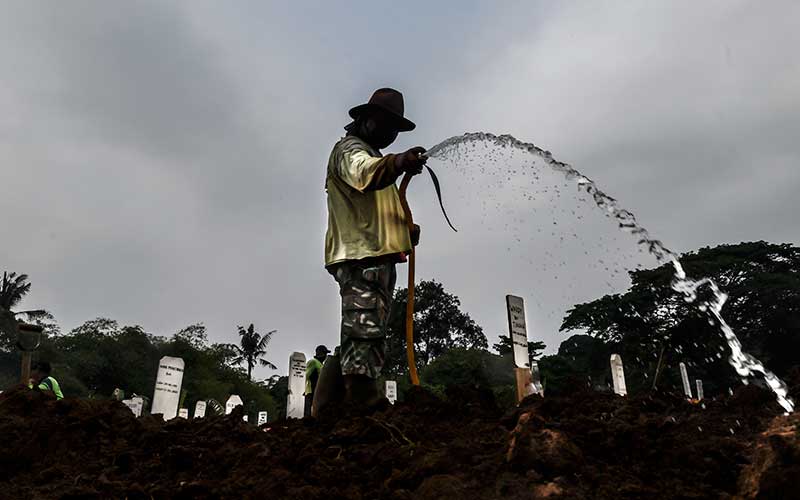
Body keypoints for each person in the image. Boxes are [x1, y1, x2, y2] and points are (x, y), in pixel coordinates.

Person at [316, 88, 426, 412]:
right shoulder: (351, 152)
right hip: (361, 258)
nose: (391, 133)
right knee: (363, 328)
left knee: (365, 328)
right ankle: (362, 401)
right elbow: (365, 175)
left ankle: (327, 408)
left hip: (375, 256)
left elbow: (378, 208)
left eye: (396, 128)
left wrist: (405, 229)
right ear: (365, 119)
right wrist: (399, 161)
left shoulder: (375, 158)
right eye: (385, 123)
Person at [304, 345, 330, 416]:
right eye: (324, 353)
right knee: (309, 411)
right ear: (320, 353)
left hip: (318, 391)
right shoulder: (313, 362)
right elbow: (305, 376)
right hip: (311, 391)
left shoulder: (321, 365)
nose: (325, 356)